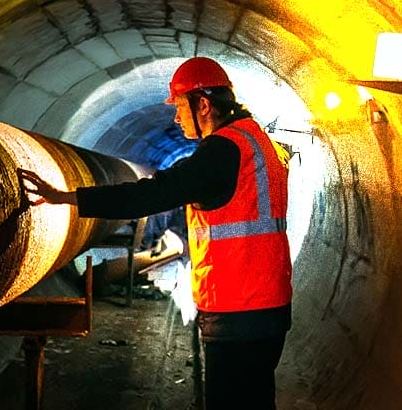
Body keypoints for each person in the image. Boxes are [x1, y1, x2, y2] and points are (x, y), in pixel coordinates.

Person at [18, 56, 292, 409]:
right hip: (268, 305)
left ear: (203, 104)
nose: (176, 118)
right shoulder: (259, 142)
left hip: (237, 308)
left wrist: (67, 197)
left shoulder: (222, 151)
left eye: (180, 107)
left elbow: (148, 195)